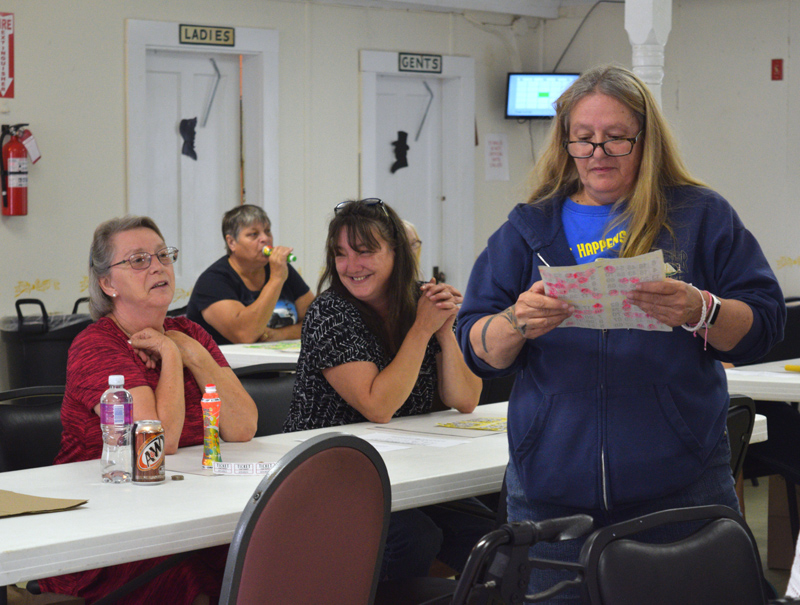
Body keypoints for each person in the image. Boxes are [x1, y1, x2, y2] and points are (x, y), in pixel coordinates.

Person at [456, 65, 786, 601]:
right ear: (565, 143)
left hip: (680, 487)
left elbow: (765, 322)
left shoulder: (698, 217)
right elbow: (475, 345)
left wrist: (700, 309)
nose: (598, 154)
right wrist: (516, 323)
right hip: (552, 493)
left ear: (645, 139)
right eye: (583, 140)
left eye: (615, 139)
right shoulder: (528, 228)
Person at [39, 216, 258, 605]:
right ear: (108, 283)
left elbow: (242, 426)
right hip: (105, 528)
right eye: (138, 260)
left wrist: (192, 352)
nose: (158, 266)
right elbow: (159, 444)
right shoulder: (96, 345)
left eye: (163, 255)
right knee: (189, 579)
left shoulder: (190, 332)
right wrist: (172, 357)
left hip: (182, 509)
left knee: (264, 558)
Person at [283, 197, 489, 581]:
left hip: (405, 467)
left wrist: (445, 332)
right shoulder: (330, 312)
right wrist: (423, 329)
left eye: (365, 252)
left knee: (485, 532)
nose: (351, 266)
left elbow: (465, 399)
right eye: (340, 254)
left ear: (398, 253)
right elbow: (378, 406)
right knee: (413, 538)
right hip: (330, 473)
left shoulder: (420, 300)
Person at [187, 204, 314, 345]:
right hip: (229, 365)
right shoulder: (212, 281)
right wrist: (277, 279)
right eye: (254, 234)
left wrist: (280, 334)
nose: (265, 239)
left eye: (267, 231)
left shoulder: (281, 268)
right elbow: (246, 335)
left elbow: (317, 322)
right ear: (231, 242)